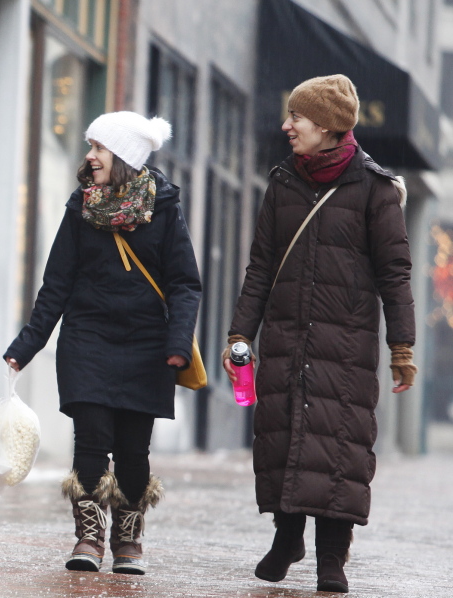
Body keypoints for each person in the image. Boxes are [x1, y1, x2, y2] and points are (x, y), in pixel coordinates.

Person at [223, 74, 416, 594]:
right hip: (287, 338)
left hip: (345, 345)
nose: (287, 126)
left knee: (339, 446)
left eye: (297, 118)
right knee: (283, 436)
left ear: (329, 126)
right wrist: (239, 337)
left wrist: (402, 346)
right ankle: (287, 540)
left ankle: (333, 557)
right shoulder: (283, 182)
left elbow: (395, 273)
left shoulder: (375, 190)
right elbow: (259, 267)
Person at [4, 112, 202, 574]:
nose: (89, 156)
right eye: (90, 146)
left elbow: (184, 284)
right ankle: (88, 537)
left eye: (98, 148)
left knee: (134, 451)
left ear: (126, 157)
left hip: (148, 345)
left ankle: (127, 540)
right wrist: (26, 345)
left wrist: (177, 342)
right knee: (90, 442)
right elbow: (56, 284)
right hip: (87, 339)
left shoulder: (164, 207)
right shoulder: (81, 207)